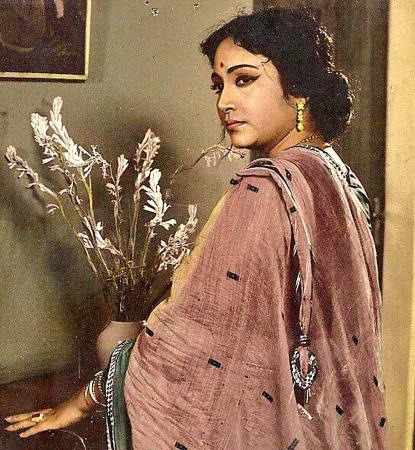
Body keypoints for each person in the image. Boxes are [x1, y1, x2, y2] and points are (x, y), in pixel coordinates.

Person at [4, 6, 388, 449]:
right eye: (218, 85)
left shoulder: (266, 188)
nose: (224, 102)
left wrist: (85, 399)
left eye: (244, 80)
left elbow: (190, 339)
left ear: (299, 89)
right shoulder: (334, 173)